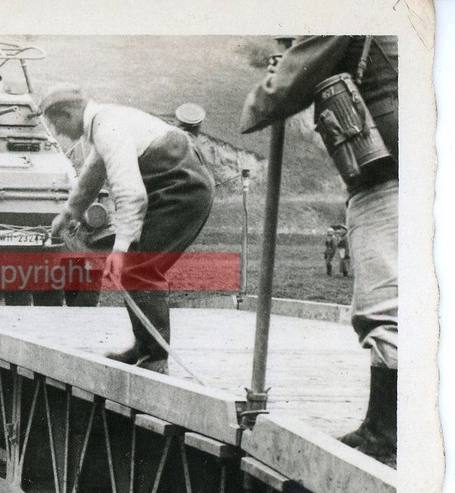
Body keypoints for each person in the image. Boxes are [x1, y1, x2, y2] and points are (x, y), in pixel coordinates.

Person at [241, 35, 397, 464]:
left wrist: (266, 88)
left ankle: (387, 434)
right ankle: (382, 428)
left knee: (384, 307)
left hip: (389, 173)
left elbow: (280, 93)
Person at [44, 84, 215, 374]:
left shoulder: (108, 127)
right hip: (175, 187)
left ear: (70, 112)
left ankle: (156, 359)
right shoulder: (104, 124)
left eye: (56, 123)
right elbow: (92, 175)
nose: (57, 132)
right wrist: (69, 212)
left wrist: (121, 247)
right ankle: (145, 347)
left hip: (182, 190)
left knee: (140, 268)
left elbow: (130, 192)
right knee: (137, 268)